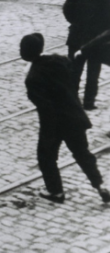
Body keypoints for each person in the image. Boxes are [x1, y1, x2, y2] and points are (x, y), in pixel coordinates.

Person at [19, 33, 110, 205]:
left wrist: (48, 132)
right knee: (83, 154)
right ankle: (100, 185)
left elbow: (45, 108)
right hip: (75, 118)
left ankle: (55, 191)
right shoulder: (60, 61)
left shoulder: (33, 78)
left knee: (46, 157)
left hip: (55, 124)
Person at [64, 0, 110, 109]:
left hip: (76, 35)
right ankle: (89, 102)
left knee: (74, 70)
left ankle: (71, 100)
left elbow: (67, 10)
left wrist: (75, 23)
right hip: (96, 39)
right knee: (93, 73)